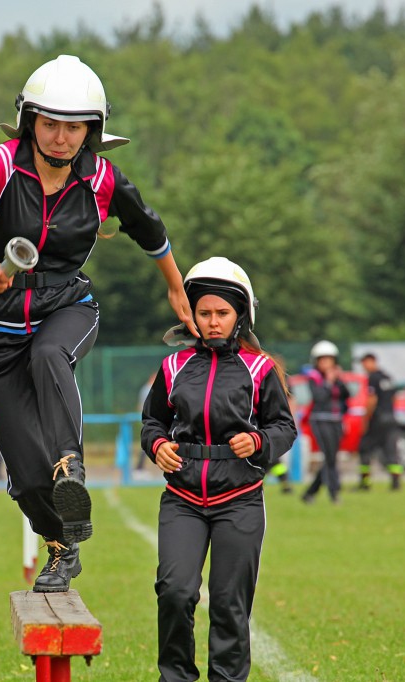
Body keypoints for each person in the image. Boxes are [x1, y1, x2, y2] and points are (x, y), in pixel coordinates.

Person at [0, 54, 195, 593]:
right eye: (49, 123)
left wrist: (174, 283)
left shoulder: (102, 178)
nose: (59, 137)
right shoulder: (0, 167)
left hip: (65, 308)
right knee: (27, 478)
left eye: (73, 127)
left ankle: (70, 465)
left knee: (51, 355)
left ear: (91, 131)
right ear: (29, 120)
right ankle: (61, 545)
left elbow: (149, 228)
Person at [141, 257, 297, 682]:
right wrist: (157, 445)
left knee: (229, 603)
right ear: (191, 314)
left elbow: (284, 427)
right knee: (175, 593)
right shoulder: (173, 367)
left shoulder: (259, 369)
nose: (212, 322)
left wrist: (260, 441)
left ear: (240, 315)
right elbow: (152, 421)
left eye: (222, 313)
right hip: (183, 501)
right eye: (204, 313)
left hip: (240, 501)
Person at [301, 340, 350, 505]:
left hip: (335, 420)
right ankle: (334, 493)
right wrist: (328, 382)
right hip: (320, 420)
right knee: (329, 457)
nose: (326, 363)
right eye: (323, 360)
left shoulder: (336, 378)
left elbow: (346, 397)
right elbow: (319, 397)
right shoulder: (313, 378)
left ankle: (309, 493)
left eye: (329, 360)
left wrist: (339, 380)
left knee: (331, 458)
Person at [356, 352, 402, 491]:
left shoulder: (373, 378)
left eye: (365, 363)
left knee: (364, 448)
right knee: (390, 450)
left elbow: (372, 399)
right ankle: (395, 482)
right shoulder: (387, 377)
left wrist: (366, 418)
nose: (364, 366)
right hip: (391, 417)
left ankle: (365, 483)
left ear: (372, 361)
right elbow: (395, 398)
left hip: (378, 419)